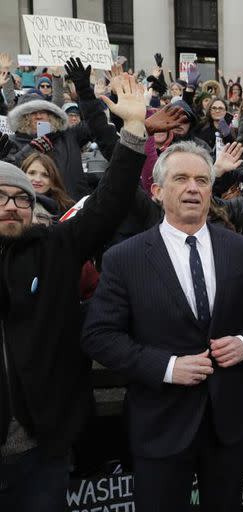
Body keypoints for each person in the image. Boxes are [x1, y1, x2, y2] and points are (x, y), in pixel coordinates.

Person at [81, 141, 243, 511]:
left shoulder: (240, 250)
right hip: (160, 424)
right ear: (156, 191)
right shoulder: (125, 258)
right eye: (181, 178)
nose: (193, 188)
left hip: (228, 425)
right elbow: (99, 336)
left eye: (202, 179)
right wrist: (168, 367)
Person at [0, 72, 148, 511]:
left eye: (21, 198)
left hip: (41, 449)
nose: (12, 204)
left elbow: (108, 204)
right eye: (2, 196)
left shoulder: (55, 247)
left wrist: (135, 128)